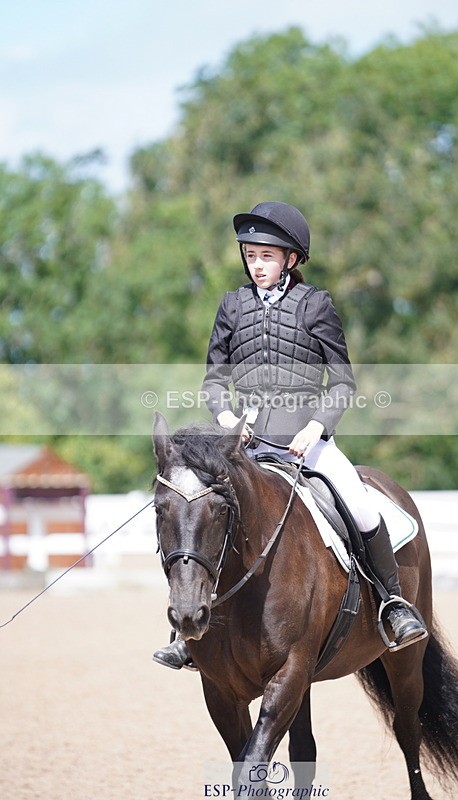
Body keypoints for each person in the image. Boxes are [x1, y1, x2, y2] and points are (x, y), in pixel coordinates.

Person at [153, 201, 427, 670]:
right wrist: (224, 423)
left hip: (309, 443)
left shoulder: (315, 305)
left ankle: (392, 604)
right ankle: (189, 632)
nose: (256, 265)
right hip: (244, 448)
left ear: (291, 259)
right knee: (202, 512)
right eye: (251, 256)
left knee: (361, 507)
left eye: (267, 256)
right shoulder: (231, 306)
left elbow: (342, 381)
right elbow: (214, 381)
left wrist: (317, 427)